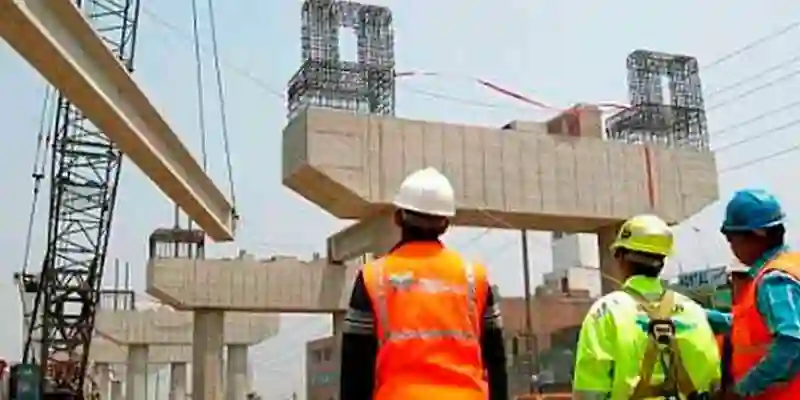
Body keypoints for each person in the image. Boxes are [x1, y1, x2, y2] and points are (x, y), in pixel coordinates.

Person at [339, 167, 509, 400]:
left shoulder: (373, 278)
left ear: (398, 218)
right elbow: (496, 361)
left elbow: (355, 370)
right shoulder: (474, 277)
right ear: (446, 223)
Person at [573, 214, 721, 399]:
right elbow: (712, 379)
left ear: (620, 257)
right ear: (663, 260)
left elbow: (590, 391)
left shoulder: (605, 312)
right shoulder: (693, 311)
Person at [705, 189, 800, 399]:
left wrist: (742, 390)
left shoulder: (775, 280)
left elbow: (792, 342)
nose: (731, 246)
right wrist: (699, 315)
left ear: (757, 234)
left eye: (731, 237)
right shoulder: (793, 266)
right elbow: (753, 327)